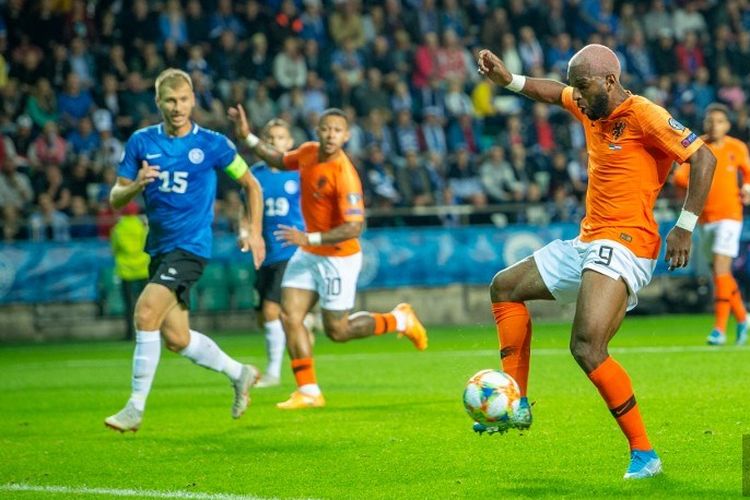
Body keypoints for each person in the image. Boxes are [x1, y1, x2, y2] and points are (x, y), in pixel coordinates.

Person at [476, 44, 716, 479]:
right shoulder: (590, 106)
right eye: (575, 88)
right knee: (504, 287)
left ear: (609, 80)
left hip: (628, 242)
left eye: (583, 87)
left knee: (586, 346)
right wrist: (508, 81)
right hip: (588, 239)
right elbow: (552, 93)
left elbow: (703, 156)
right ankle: (516, 402)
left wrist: (684, 226)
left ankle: (645, 454)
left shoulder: (644, 114)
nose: (577, 96)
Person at [228, 104, 428, 410]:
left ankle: (399, 319)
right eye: (325, 128)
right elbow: (280, 160)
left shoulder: (344, 173)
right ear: (317, 131)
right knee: (289, 316)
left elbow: (354, 227)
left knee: (338, 331)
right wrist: (249, 138)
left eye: (337, 130)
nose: (330, 134)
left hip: (338, 257)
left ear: (346, 136)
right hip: (308, 252)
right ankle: (308, 390)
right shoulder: (308, 152)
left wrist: (311, 237)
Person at [104, 68, 266, 432]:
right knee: (176, 338)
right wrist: (136, 186)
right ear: (158, 102)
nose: (177, 108)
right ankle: (240, 373)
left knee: (145, 313)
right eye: (170, 101)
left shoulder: (213, 144)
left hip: (191, 248)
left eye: (183, 100)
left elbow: (251, 185)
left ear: (193, 100)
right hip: (160, 250)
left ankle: (135, 408)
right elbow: (115, 197)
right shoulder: (141, 142)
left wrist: (253, 231)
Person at [672, 103, 750, 346]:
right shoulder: (696, 147)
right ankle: (743, 318)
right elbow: (680, 178)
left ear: (727, 125)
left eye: (718, 121)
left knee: (720, 268)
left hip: (730, 217)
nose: (713, 125)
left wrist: (747, 188)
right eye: (709, 121)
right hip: (703, 219)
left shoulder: (736, 147)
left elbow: (748, 173)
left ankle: (719, 329)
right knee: (719, 273)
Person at [242, 118, 305, 387]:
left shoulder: (298, 173)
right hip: (263, 253)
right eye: (269, 137)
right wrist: (244, 231)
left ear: (289, 143)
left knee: (270, 309)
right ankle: (305, 324)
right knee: (262, 315)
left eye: (280, 137)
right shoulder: (254, 174)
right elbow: (244, 210)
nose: (274, 141)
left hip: (290, 252)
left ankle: (273, 373)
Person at [110, 201, 150, 341]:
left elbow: (114, 249)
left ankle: (129, 334)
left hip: (125, 270)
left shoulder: (118, 228)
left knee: (128, 305)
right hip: (142, 269)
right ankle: (148, 332)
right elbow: (148, 244)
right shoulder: (142, 226)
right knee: (146, 304)